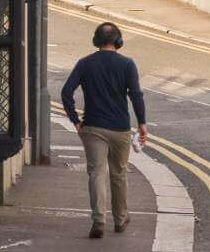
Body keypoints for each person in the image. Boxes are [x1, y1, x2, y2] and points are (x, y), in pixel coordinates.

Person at [61, 22, 149, 239]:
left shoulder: (85, 64)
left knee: (97, 172)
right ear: (119, 41)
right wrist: (142, 123)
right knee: (119, 174)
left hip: (93, 127)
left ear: (96, 40)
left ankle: (99, 220)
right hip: (120, 128)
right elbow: (136, 95)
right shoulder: (127, 64)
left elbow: (66, 92)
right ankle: (120, 219)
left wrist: (75, 120)